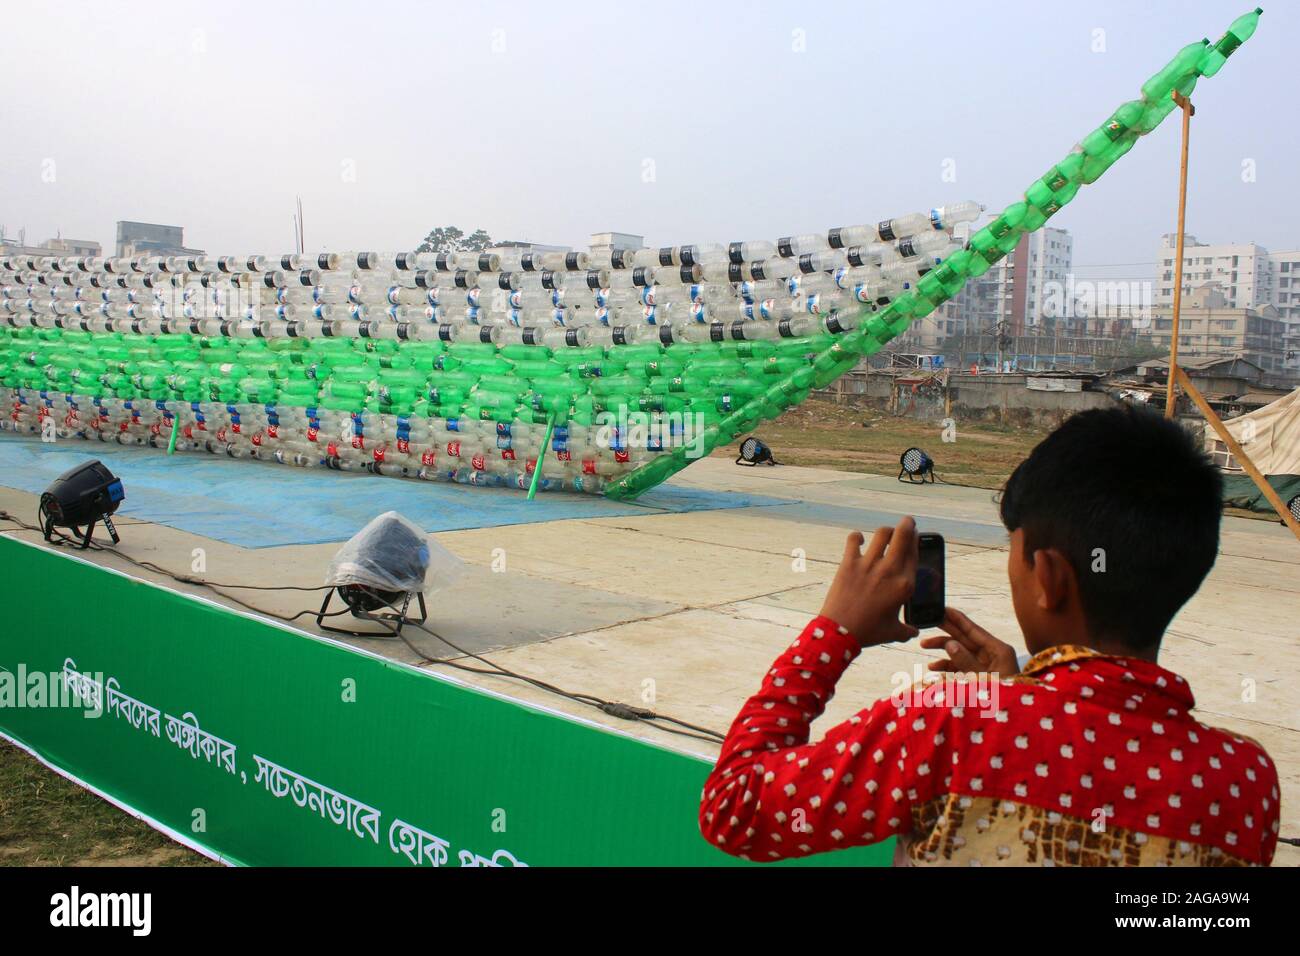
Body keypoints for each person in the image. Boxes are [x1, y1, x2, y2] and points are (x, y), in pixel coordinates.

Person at [699, 406, 1279, 866]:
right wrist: (1020, 693)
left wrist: (833, 634)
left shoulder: (948, 723)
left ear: (1047, 578)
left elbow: (734, 809)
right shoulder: (1245, 782)